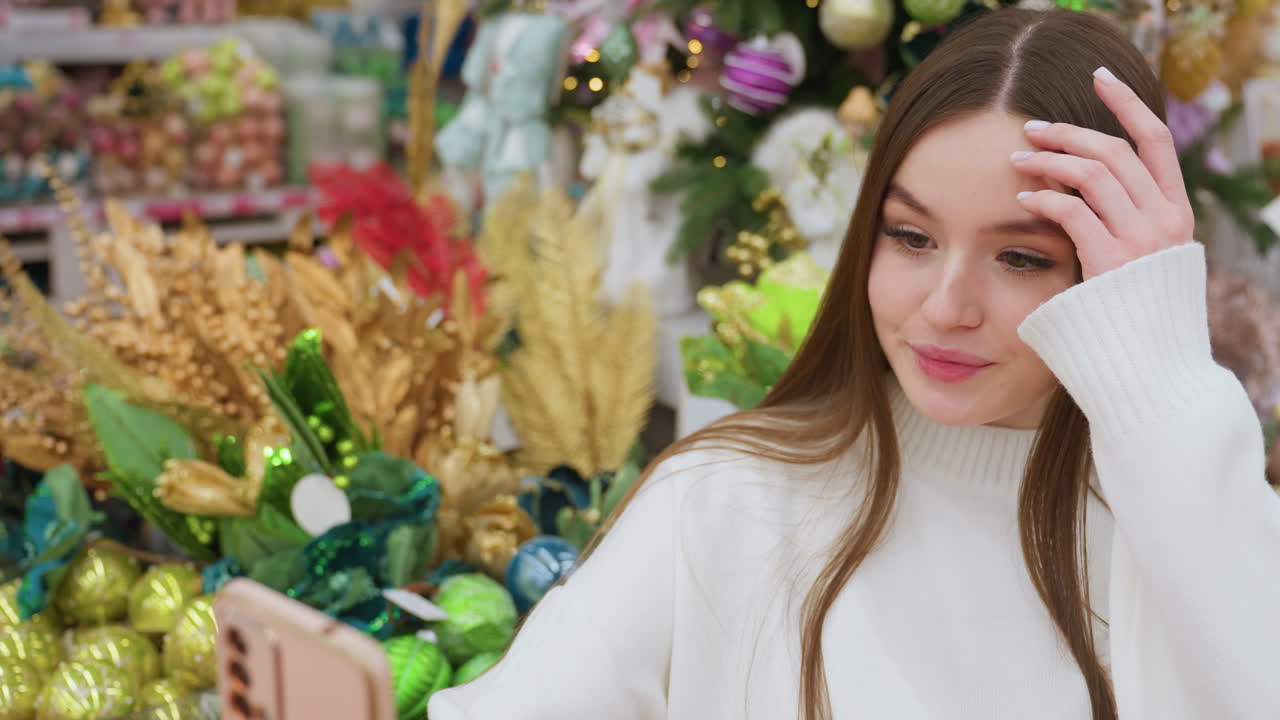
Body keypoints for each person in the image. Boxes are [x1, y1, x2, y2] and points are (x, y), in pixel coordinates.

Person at [429, 8, 1280, 719]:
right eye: (910, 236)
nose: (945, 307)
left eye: (1021, 258)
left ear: (1113, 276)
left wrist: (1166, 384)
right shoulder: (726, 498)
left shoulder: (1180, 533)